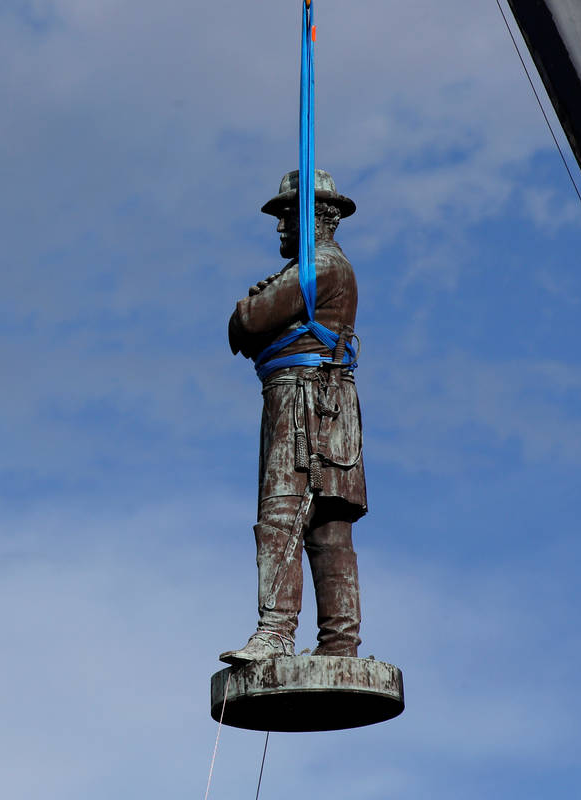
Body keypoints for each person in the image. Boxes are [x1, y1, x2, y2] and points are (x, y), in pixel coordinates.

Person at [221, 169, 367, 663]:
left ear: (312, 218)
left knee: (283, 514)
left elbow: (248, 323)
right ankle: (340, 644)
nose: (280, 227)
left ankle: (276, 631)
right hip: (328, 402)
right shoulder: (323, 268)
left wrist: (252, 307)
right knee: (327, 528)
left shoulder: (319, 266)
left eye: (286, 215)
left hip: (305, 401)